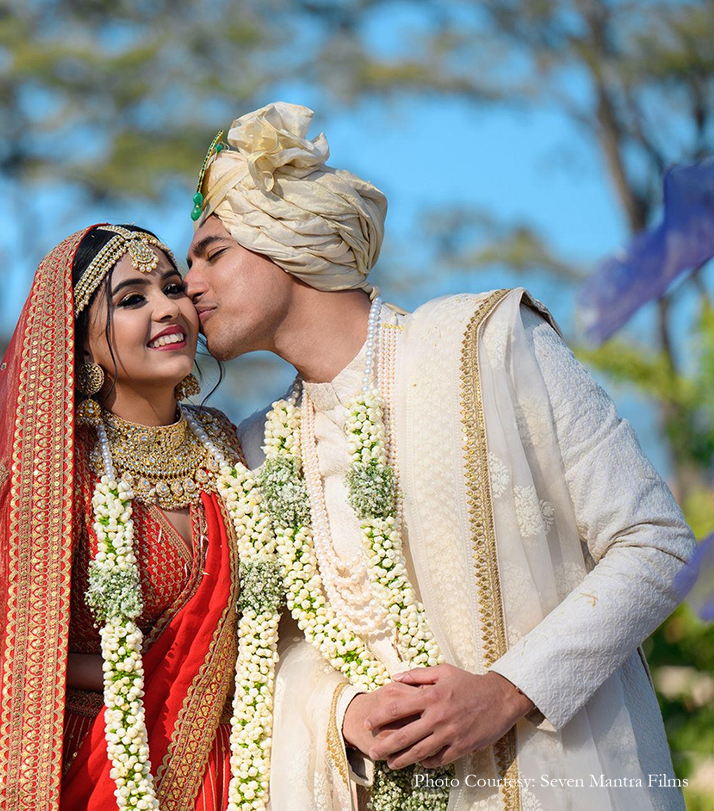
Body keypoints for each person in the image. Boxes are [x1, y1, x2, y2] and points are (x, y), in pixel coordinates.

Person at [183, 102, 696, 810]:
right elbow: (264, 654)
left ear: (291, 236)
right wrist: (343, 714)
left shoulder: (491, 344)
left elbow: (657, 542)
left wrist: (508, 691)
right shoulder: (253, 452)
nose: (189, 286)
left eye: (212, 253)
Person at [0, 224, 246, 809]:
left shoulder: (227, 443)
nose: (168, 308)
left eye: (173, 288)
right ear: (80, 341)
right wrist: (147, 677)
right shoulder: (55, 465)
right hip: (101, 767)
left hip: (235, 762)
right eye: (132, 299)